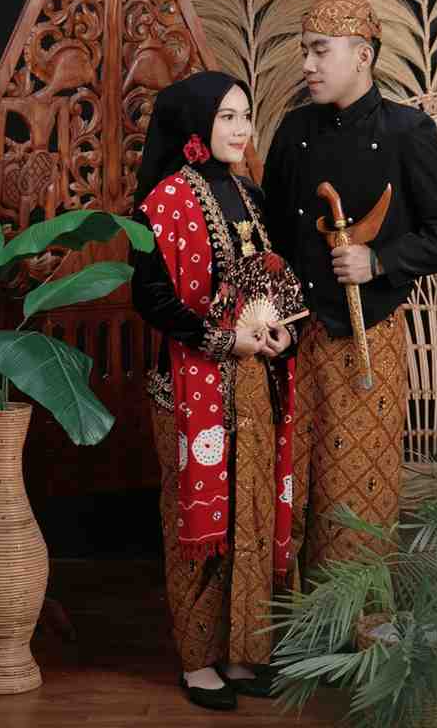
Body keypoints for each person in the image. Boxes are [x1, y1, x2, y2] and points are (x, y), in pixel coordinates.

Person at [262, 0, 437, 574]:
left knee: (355, 492)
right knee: (286, 487)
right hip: (290, 342)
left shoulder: (407, 131)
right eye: (304, 52)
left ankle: (354, 622)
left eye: (320, 51)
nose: (307, 65)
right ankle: (283, 618)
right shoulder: (293, 130)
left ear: (363, 55)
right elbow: (271, 237)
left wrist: (377, 262)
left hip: (368, 339)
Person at [131, 71, 303, 712]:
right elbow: (150, 298)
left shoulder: (252, 196)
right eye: (227, 116)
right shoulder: (164, 202)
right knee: (198, 521)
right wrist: (223, 340)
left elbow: (272, 284)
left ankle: (239, 651)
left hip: (254, 385)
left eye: (245, 115)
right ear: (196, 126)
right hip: (190, 388)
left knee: (247, 515)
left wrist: (281, 333)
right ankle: (197, 659)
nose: (242, 129)